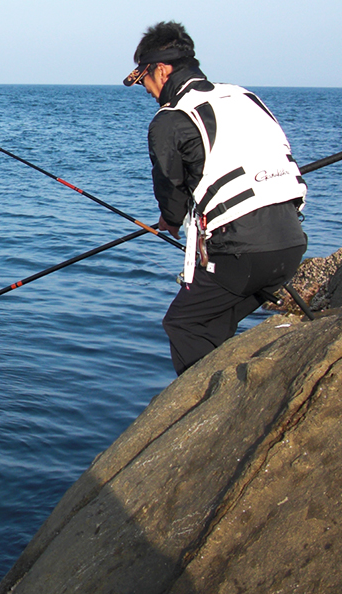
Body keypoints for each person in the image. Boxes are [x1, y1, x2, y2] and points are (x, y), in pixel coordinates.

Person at [124, 21, 307, 375]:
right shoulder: (244, 96)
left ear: (161, 71)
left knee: (183, 324)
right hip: (291, 243)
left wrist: (170, 221)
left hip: (243, 252)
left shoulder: (170, 119)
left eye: (144, 80)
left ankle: (204, 407)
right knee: (212, 322)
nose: (146, 91)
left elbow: (170, 190)